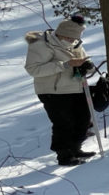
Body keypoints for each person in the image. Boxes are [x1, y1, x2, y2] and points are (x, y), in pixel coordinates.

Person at [24, 18, 95, 166]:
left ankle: (76, 149)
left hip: (76, 87)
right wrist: (66, 65)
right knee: (64, 123)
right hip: (52, 91)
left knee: (83, 119)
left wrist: (87, 66)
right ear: (61, 33)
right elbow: (33, 69)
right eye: (69, 38)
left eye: (75, 38)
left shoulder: (75, 43)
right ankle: (64, 155)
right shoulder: (41, 44)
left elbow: (84, 61)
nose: (72, 41)